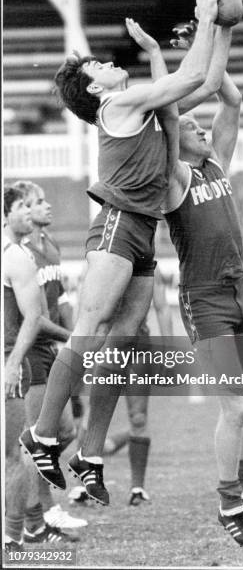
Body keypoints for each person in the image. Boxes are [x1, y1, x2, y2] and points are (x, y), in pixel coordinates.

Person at [20, 0, 228, 505]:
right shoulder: (118, 102)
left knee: (123, 341)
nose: (108, 64)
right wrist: (204, 17)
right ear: (94, 89)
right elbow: (194, 76)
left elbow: (191, 91)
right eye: (97, 65)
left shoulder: (138, 106)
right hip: (116, 224)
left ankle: (89, 455)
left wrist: (174, 47)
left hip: (140, 231)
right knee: (89, 332)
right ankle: (41, 435)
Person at [161, 16, 243, 549]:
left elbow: (231, 101)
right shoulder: (176, 179)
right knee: (233, 406)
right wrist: (196, 48)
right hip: (205, 299)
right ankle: (229, 504)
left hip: (239, 292)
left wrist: (214, 44)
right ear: (174, 140)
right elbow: (166, 116)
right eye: (192, 128)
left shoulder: (217, 166)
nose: (202, 129)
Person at [3, 187, 78, 553]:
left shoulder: (29, 251)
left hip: (34, 353)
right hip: (27, 353)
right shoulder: (18, 253)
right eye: (25, 206)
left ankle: (28, 523)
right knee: (27, 446)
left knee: (49, 437)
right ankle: (35, 521)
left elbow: (44, 307)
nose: (34, 211)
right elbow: (36, 315)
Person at [72, 266, 174, 507]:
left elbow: (162, 307)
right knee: (92, 418)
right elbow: (84, 312)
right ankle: (83, 486)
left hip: (138, 349)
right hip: (104, 349)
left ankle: (137, 489)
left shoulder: (150, 266)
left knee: (138, 417)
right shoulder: (98, 264)